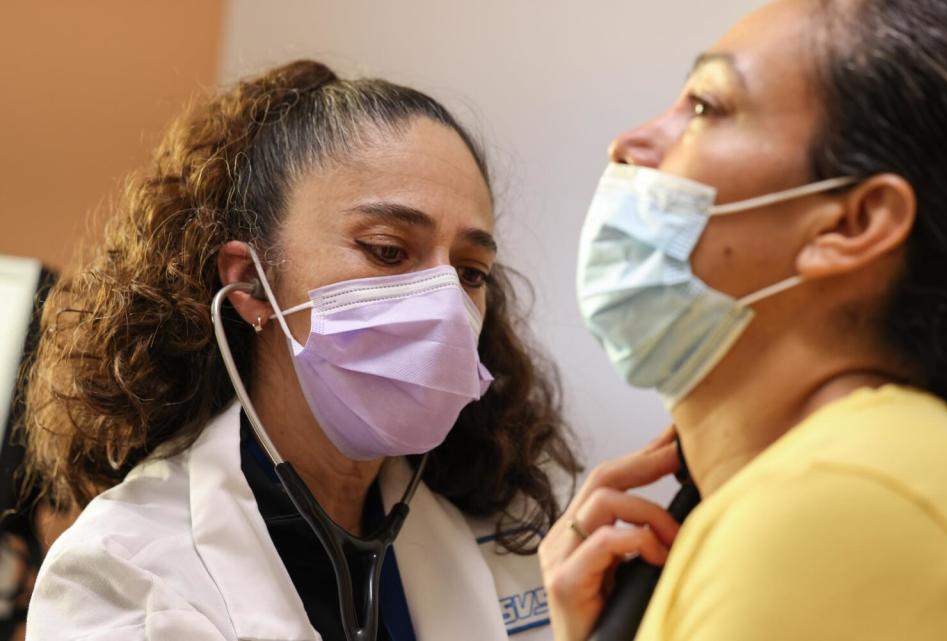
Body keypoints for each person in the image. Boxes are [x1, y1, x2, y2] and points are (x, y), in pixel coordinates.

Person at [22, 60, 578, 641]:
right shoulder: (123, 574)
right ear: (253, 285)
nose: (444, 304)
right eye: (387, 250)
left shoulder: (510, 538)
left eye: (470, 272)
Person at [539, 0, 947, 639]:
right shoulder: (816, 488)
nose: (626, 144)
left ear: (853, 224)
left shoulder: (833, 503)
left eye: (705, 107)